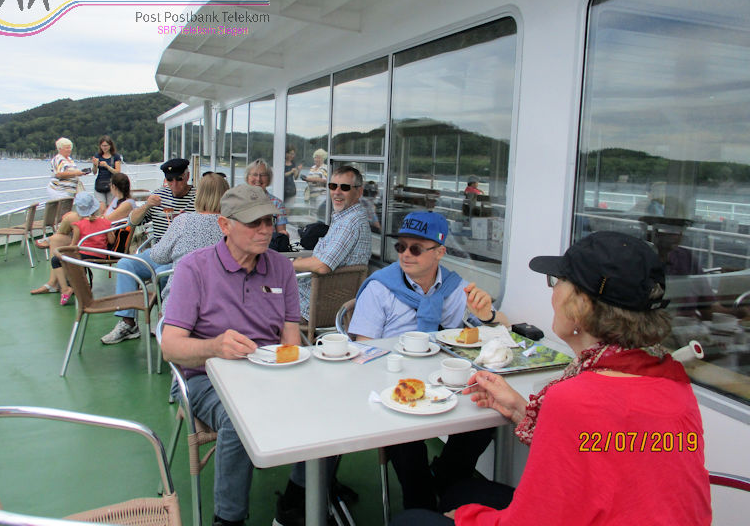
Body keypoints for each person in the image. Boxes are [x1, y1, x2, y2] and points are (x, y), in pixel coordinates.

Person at [392, 231, 712, 526]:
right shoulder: (674, 382)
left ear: (581, 306)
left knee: (414, 520)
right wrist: (520, 408)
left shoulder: (575, 399)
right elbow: (605, 450)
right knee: (462, 490)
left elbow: (533, 519)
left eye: (558, 281)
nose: (553, 291)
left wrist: (467, 518)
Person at [160, 184, 301, 526]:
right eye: (254, 223)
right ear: (224, 225)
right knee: (240, 419)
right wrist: (214, 347)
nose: (265, 230)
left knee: (326, 405)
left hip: (269, 371)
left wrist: (294, 373)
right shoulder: (194, 269)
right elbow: (170, 347)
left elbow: (291, 338)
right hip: (204, 376)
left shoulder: (282, 268)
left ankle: (297, 502)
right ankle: (228, 518)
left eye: (268, 221)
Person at [349, 212, 509, 512]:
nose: (405, 255)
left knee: (485, 415)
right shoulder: (380, 288)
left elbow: (503, 331)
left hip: (442, 383)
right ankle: (420, 503)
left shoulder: (455, 288)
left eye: (416, 248)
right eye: (401, 247)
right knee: (404, 435)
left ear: (440, 252)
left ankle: (448, 479)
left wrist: (487, 315)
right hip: (393, 383)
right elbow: (364, 350)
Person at [100, 158, 197, 345]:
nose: (174, 184)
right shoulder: (158, 196)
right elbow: (133, 222)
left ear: (187, 177)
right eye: (170, 180)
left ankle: (167, 320)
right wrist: (146, 206)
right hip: (158, 250)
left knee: (163, 273)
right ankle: (128, 323)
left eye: (179, 179)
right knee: (126, 264)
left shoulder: (198, 197)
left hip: (184, 254)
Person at [292, 166, 372, 320]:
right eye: (333, 186)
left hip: (314, 306)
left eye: (345, 187)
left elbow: (323, 265)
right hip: (317, 298)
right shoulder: (346, 218)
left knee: (261, 294)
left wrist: (291, 264)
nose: (337, 192)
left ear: (359, 192)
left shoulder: (350, 223)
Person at [148, 173, 229, 302]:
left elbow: (158, 256)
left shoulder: (182, 221)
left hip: (180, 300)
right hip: (222, 301)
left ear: (199, 195)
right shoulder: (234, 226)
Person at [44, 192, 114, 306]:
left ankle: (65, 289)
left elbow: (74, 246)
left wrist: (62, 249)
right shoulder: (106, 222)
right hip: (100, 255)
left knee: (55, 260)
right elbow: (111, 241)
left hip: (84, 255)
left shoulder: (78, 225)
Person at [245, 158, 289, 236]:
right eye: (254, 174)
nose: (258, 179)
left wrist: (284, 236)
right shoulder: (238, 201)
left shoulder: (277, 204)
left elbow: (281, 235)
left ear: (269, 179)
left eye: (263, 175)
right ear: (247, 178)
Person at [91, 135, 122, 206]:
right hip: (100, 183)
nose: (104, 148)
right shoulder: (98, 156)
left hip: (112, 184)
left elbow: (117, 172)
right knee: (101, 206)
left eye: (106, 146)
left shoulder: (116, 156)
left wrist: (107, 166)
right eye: (102, 146)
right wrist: (95, 165)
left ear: (110, 145)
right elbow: (94, 172)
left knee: (110, 206)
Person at [303, 148, 328, 218]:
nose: (316, 159)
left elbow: (325, 180)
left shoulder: (325, 168)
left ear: (323, 159)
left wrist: (311, 179)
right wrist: (306, 179)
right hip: (312, 194)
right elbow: (309, 178)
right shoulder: (312, 167)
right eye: (315, 157)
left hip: (321, 194)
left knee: (320, 212)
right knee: (312, 213)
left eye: (319, 158)